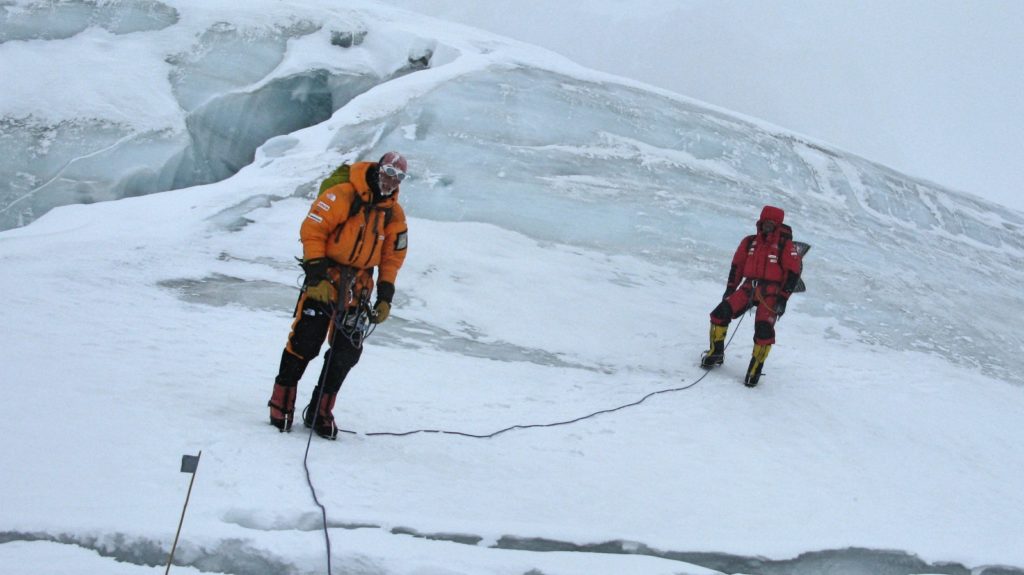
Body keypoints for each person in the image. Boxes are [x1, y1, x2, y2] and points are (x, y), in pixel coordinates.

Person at [268, 151, 409, 438]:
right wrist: (316, 275)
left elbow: (392, 257)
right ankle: (281, 403)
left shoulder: (394, 214)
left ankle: (320, 410)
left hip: (358, 288)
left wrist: (385, 297)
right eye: (388, 172)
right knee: (305, 341)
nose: (390, 180)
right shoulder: (345, 194)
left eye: (398, 177)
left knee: (346, 352)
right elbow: (313, 229)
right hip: (326, 279)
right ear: (378, 169)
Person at [701, 205, 802, 387]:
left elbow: (793, 273)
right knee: (719, 314)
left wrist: (783, 299)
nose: (767, 226)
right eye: (765, 222)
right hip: (749, 286)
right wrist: (730, 289)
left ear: (778, 225)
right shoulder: (749, 242)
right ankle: (716, 353)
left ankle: (755, 369)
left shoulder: (785, 246)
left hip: (771, 292)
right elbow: (737, 267)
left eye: (772, 223)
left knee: (764, 330)